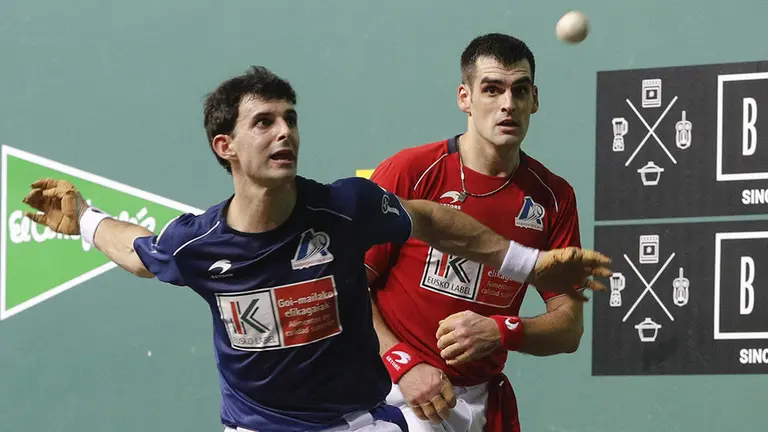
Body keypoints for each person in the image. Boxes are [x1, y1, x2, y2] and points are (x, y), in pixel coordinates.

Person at [22, 66, 610, 432]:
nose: (285, 132)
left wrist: (531, 263)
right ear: (224, 145)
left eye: (291, 119)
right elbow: (139, 252)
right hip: (255, 425)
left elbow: (435, 221)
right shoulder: (200, 243)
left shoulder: (345, 209)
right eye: (265, 123)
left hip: (354, 421)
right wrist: (86, 219)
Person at [365, 34, 595, 431]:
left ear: (534, 100)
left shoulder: (553, 197)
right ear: (464, 98)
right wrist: (403, 364)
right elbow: (346, 285)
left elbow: (569, 325)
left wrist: (502, 329)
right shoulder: (410, 172)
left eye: (520, 90)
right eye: (492, 89)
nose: (508, 104)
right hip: (396, 394)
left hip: (482, 402)